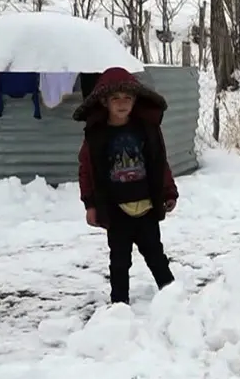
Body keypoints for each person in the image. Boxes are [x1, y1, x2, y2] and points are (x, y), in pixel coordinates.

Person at [75, 67, 178, 305]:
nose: (122, 104)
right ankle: (119, 307)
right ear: (104, 102)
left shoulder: (147, 129)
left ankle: (174, 300)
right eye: (115, 99)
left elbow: (160, 162)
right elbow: (86, 171)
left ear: (135, 101)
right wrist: (90, 204)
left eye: (127, 98)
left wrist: (168, 191)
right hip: (115, 209)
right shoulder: (96, 135)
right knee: (119, 261)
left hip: (147, 206)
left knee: (156, 256)